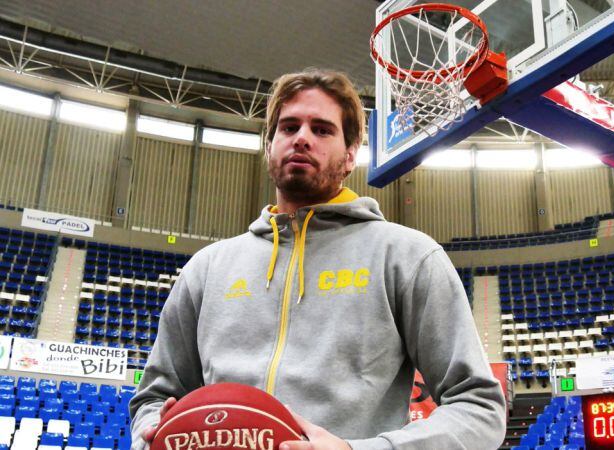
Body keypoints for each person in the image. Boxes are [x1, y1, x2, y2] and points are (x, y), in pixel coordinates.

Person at [129, 68, 506, 450]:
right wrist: (153, 431)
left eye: (322, 130)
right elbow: (153, 398)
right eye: (288, 127)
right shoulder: (207, 269)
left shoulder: (407, 257)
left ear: (350, 155)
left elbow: (479, 407)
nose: (302, 138)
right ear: (270, 145)